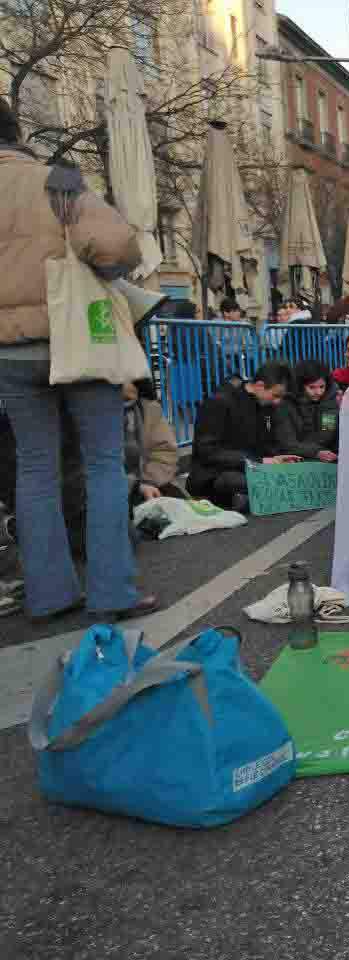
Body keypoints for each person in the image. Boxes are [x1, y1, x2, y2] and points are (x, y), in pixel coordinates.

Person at [0, 97, 163, 622]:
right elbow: (116, 247)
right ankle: (112, 590)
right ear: (15, 130)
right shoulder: (57, 184)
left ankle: (49, 593)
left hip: (7, 349)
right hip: (75, 339)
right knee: (101, 464)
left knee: (35, 467)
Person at [187, 362, 301, 510]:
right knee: (237, 481)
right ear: (259, 385)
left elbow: (264, 444)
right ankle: (241, 498)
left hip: (248, 468)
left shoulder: (264, 406)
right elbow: (208, 452)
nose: (277, 401)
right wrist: (259, 461)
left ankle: (247, 498)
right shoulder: (219, 403)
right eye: (275, 395)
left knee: (286, 477)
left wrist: (276, 459)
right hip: (213, 475)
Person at [122, 379, 181, 506]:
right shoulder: (83, 413)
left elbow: (164, 452)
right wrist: (134, 485)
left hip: (146, 485)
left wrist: (149, 482)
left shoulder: (147, 407)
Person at [275, 360, 339, 462]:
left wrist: (316, 452)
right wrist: (315, 452)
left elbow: (326, 433)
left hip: (323, 455)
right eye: (312, 387)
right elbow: (286, 441)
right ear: (300, 386)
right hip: (290, 456)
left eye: (322, 386)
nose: (318, 392)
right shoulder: (286, 403)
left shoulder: (329, 402)